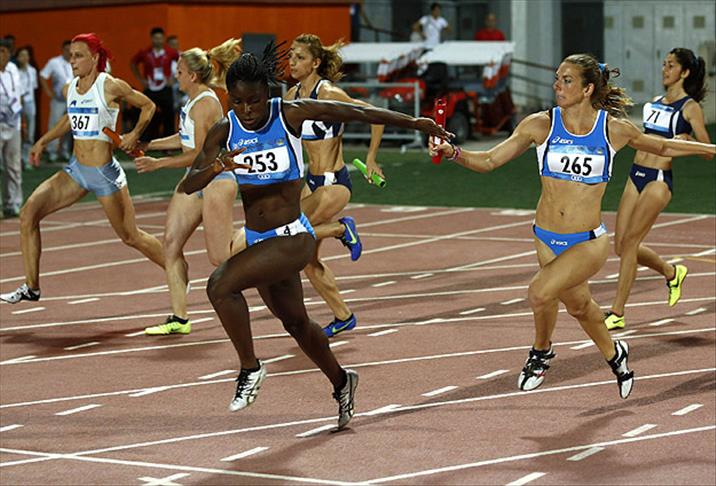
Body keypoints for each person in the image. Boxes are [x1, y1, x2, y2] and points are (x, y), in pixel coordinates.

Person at [180, 42, 449, 428]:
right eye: (237, 102)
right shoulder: (226, 130)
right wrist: (217, 166)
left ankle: (250, 368)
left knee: (220, 285)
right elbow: (190, 184)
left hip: (292, 237)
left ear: (267, 94)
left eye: (254, 101)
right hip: (259, 240)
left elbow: (356, 112)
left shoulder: (289, 114)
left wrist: (415, 123)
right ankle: (342, 381)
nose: (247, 110)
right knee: (297, 324)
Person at [430, 53, 716, 399]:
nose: (557, 85)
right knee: (580, 307)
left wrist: (711, 148)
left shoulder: (612, 129)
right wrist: (454, 153)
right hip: (545, 237)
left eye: (567, 80)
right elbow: (490, 160)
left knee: (539, 292)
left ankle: (541, 352)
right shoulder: (540, 125)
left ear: (587, 89)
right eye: (557, 78)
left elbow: (662, 145)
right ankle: (616, 354)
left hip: (587, 242)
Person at [0, 33, 165, 304]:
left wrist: (134, 134)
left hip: (104, 174)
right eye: (70, 56)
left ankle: (176, 269)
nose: (72, 61)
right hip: (75, 172)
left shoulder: (109, 85)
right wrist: (43, 141)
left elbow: (148, 105)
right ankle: (31, 287)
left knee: (131, 236)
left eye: (78, 56)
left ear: (94, 58)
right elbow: (69, 118)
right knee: (28, 213)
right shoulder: (70, 88)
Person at [135, 38, 243, 335]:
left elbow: (197, 154)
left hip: (216, 180)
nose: (176, 76)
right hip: (194, 180)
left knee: (219, 257)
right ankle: (179, 318)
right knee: (170, 244)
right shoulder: (192, 100)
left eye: (180, 71)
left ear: (193, 76)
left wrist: (157, 164)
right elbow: (183, 139)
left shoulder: (206, 104)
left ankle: (260, 238)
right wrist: (148, 144)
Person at [604, 48, 712, 331]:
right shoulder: (652, 103)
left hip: (658, 180)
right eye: (664, 64)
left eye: (671, 65)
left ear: (684, 72)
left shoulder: (690, 108)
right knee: (621, 246)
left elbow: (707, 151)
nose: (665, 69)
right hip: (635, 175)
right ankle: (671, 272)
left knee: (630, 243)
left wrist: (686, 142)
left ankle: (617, 312)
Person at [285, 33, 384, 337]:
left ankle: (341, 229)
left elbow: (376, 116)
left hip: (334, 184)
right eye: (290, 56)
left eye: (299, 57)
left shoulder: (328, 94)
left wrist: (371, 158)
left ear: (315, 62)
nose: (292, 62)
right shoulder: (291, 96)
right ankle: (343, 316)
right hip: (311, 183)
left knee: (289, 231)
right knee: (308, 261)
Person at [130, 27, 179, 141]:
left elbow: (181, 62)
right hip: (150, 87)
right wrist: (141, 79)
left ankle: (169, 142)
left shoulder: (170, 52)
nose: (158, 41)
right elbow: (133, 63)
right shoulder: (145, 52)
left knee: (169, 115)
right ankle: (147, 140)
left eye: (160, 38)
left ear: (164, 38)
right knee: (148, 112)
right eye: (156, 38)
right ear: (152, 38)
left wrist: (174, 78)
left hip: (165, 87)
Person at [0, 38, 26, 218]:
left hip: (13, 123)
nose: (2, 55)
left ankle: (14, 203)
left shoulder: (13, 70)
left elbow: (19, 95)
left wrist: (22, 121)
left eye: (5, 51)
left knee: (14, 166)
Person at [40, 40, 73, 162]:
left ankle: (64, 151)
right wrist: (49, 92)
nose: (69, 52)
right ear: (62, 50)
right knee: (54, 125)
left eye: (71, 50)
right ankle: (52, 151)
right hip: (58, 100)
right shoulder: (54, 62)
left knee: (69, 125)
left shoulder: (76, 62)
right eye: (67, 50)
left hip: (72, 100)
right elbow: (43, 76)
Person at [15, 46, 38, 169]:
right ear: (17, 58)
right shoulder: (14, 72)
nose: (24, 58)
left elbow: (33, 87)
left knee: (29, 132)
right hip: (16, 103)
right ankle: (15, 160)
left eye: (26, 55)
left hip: (30, 103)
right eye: (21, 55)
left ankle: (26, 159)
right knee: (17, 132)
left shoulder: (32, 71)